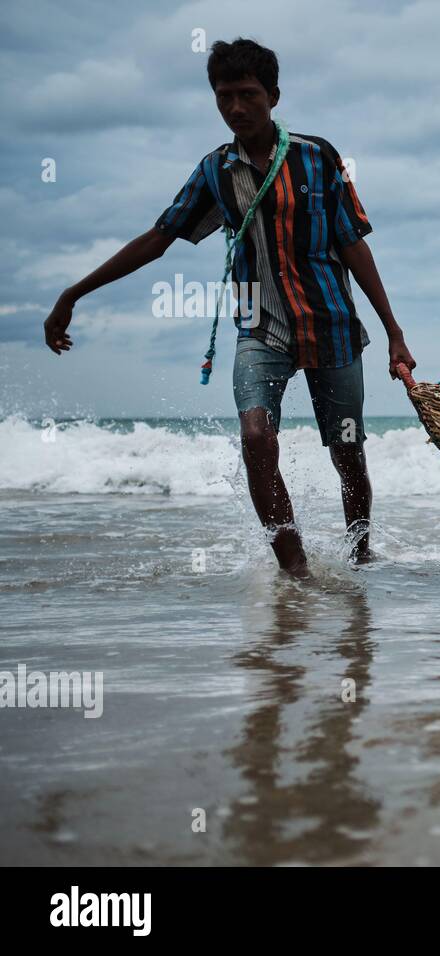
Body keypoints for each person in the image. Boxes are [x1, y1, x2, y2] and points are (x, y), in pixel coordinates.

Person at [42, 38, 416, 577]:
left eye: (248, 95)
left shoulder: (319, 158)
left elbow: (354, 243)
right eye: (224, 97)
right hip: (259, 328)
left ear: (274, 96)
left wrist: (394, 332)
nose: (236, 108)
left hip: (331, 324)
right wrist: (72, 292)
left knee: (348, 453)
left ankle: (361, 559)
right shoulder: (215, 172)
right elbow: (158, 237)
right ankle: (297, 573)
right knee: (256, 437)